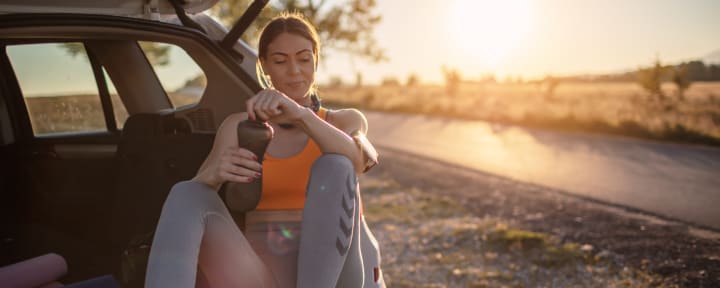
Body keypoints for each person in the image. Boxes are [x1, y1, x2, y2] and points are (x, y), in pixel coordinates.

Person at [145, 12, 383, 288]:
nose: (294, 70)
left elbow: (358, 161)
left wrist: (302, 116)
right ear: (264, 66)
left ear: (316, 61)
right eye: (280, 61)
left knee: (336, 165)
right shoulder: (239, 126)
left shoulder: (345, 120)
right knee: (186, 192)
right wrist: (215, 174)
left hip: (340, 274)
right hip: (262, 274)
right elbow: (189, 203)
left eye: (304, 59)